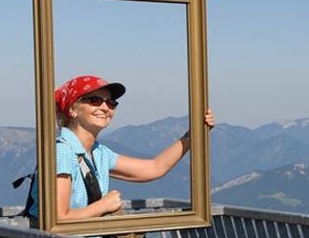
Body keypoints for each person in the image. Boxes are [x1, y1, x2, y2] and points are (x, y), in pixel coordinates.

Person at [27, 75, 214, 221]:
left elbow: (154, 168)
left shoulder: (99, 153)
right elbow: (58, 217)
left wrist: (193, 134)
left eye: (111, 103)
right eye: (94, 100)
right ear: (73, 110)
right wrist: (104, 205)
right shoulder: (63, 152)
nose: (105, 107)